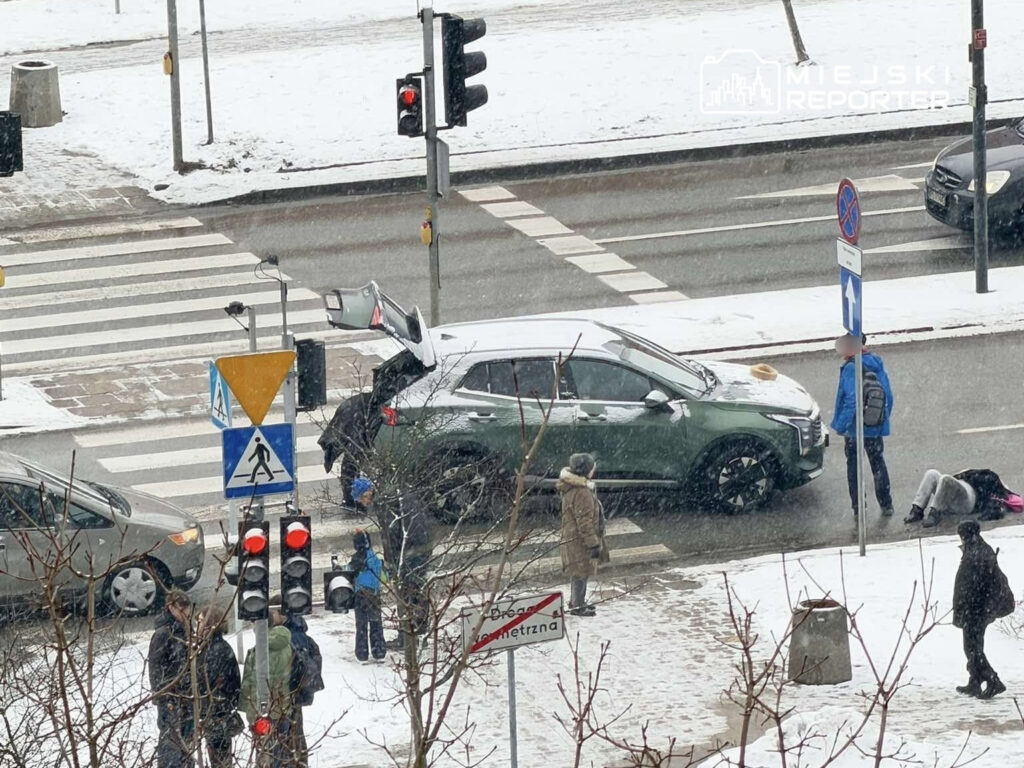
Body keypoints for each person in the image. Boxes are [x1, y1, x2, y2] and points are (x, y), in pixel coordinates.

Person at [352, 476, 433, 649]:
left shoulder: (385, 503)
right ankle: (418, 632)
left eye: (361, 499)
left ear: (367, 493)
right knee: (416, 589)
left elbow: (391, 535)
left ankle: (409, 637)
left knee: (406, 591)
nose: (362, 503)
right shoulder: (390, 494)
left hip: (412, 548)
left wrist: (390, 563)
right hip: (421, 542)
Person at [830, 333, 894, 519]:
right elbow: (888, 395)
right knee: (878, 464)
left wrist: (841, 425)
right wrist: (880, 419)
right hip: (874, 426)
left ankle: (858, 507)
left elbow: (851, 400)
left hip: (855, 429)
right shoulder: (875, 362)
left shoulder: (851, 367)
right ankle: (886, 503)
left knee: (854, 468)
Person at [952, 521, 1012, 699]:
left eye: (962, 535)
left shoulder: (977, 553)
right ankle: (975, 681)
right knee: (974, 646)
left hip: (977, 609)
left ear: (967, 534)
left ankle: (993, 680)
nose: (961, 538)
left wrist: (968, 607)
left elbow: (975, 586)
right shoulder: (977, 549)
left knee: (972, 648)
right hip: (977, 607)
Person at [240, 608, 295, 768]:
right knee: (279, 753)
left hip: (265, 711)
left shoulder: (261, 651)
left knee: (266, 755)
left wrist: (251, 712)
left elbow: (254, 684)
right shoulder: (285, 644)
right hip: (282, 706)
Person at [557, 453, 609, 617]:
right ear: (587, 470)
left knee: (578, 571)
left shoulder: (572, 488)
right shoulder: (582, 493)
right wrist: (593, 543)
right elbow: (584, 522)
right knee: (581, 571)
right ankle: (577, 606)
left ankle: (577, 602)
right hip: (580, 540)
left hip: (572, 536)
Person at [148, 590, 195, 768]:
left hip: (186, 695)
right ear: (171, 608)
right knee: (171, 741)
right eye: (181, 610)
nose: (185, 614)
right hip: (171, 696)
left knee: (187, 739)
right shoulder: (163, 633)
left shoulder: (185, 629)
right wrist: (163, 695)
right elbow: (155, 667)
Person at [196, 607, 241, 768]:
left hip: (216, 714)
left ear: (210, 624)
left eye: (200, 621)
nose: (197, 626)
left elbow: (209, 683)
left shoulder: (216, 650)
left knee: (219, 758)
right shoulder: (213, 647)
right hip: (217, 712)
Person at [906, 468, 1020, 528]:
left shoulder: (996, 485)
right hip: (955, 496)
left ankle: (935, 513)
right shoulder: (981, 476)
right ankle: (917, 509)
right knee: (932, 473)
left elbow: (1004, 501)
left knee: (945, 479)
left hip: (968, 501)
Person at [283, 612, 324, 768]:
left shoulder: (290, 637)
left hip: (290, 695)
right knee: (296, 734)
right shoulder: (299, 633)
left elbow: (296, 668)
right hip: (295, 695)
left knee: (291, 737)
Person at [348, 529, 387, 662]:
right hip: (374, 595)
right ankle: (379, 651)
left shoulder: (355, 560)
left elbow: (349, 575)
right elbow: (384, 578)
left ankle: (362, 653)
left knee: (361, 625)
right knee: (376, 623)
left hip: (360, 595)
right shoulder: (376, 559)